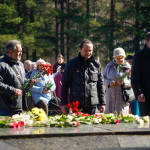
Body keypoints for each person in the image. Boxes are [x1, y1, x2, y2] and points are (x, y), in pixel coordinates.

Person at [61, 39, 106, 115]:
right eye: (85, 50)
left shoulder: (96, 65)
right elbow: (65, 84)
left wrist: (102, 103)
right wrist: (63, 103)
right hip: (77, 104)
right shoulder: (71, 64)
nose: (88, 53)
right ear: (80, 49)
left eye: (90, 50)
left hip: (92, 104)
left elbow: (100, 85)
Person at [0, 40, 35, 116]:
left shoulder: (20, 64)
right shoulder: (2, 65)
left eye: (21, 51)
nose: (21, 53)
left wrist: (29, 83)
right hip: (5, 110)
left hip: (20, 108)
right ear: (10, 52)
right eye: (18, 51)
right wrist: (13, 90)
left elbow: (21, 82)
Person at [103, 48, 131, 114]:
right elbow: (102, 78)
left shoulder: (128, 68)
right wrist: (109, 83)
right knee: (109, 118)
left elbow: (133, 81)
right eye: (118, 58)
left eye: (122, 57)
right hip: (110, 97)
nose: (120, 59)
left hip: (122, 98)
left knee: (121, 119)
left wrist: (124, 82)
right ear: (114, 58)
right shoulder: (108, 67)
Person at [131, 32, 150, 116]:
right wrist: (139, 93)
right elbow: (135, 78)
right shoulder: (139, 56)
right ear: (147, 41)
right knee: (147, 124)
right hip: (145, 96)